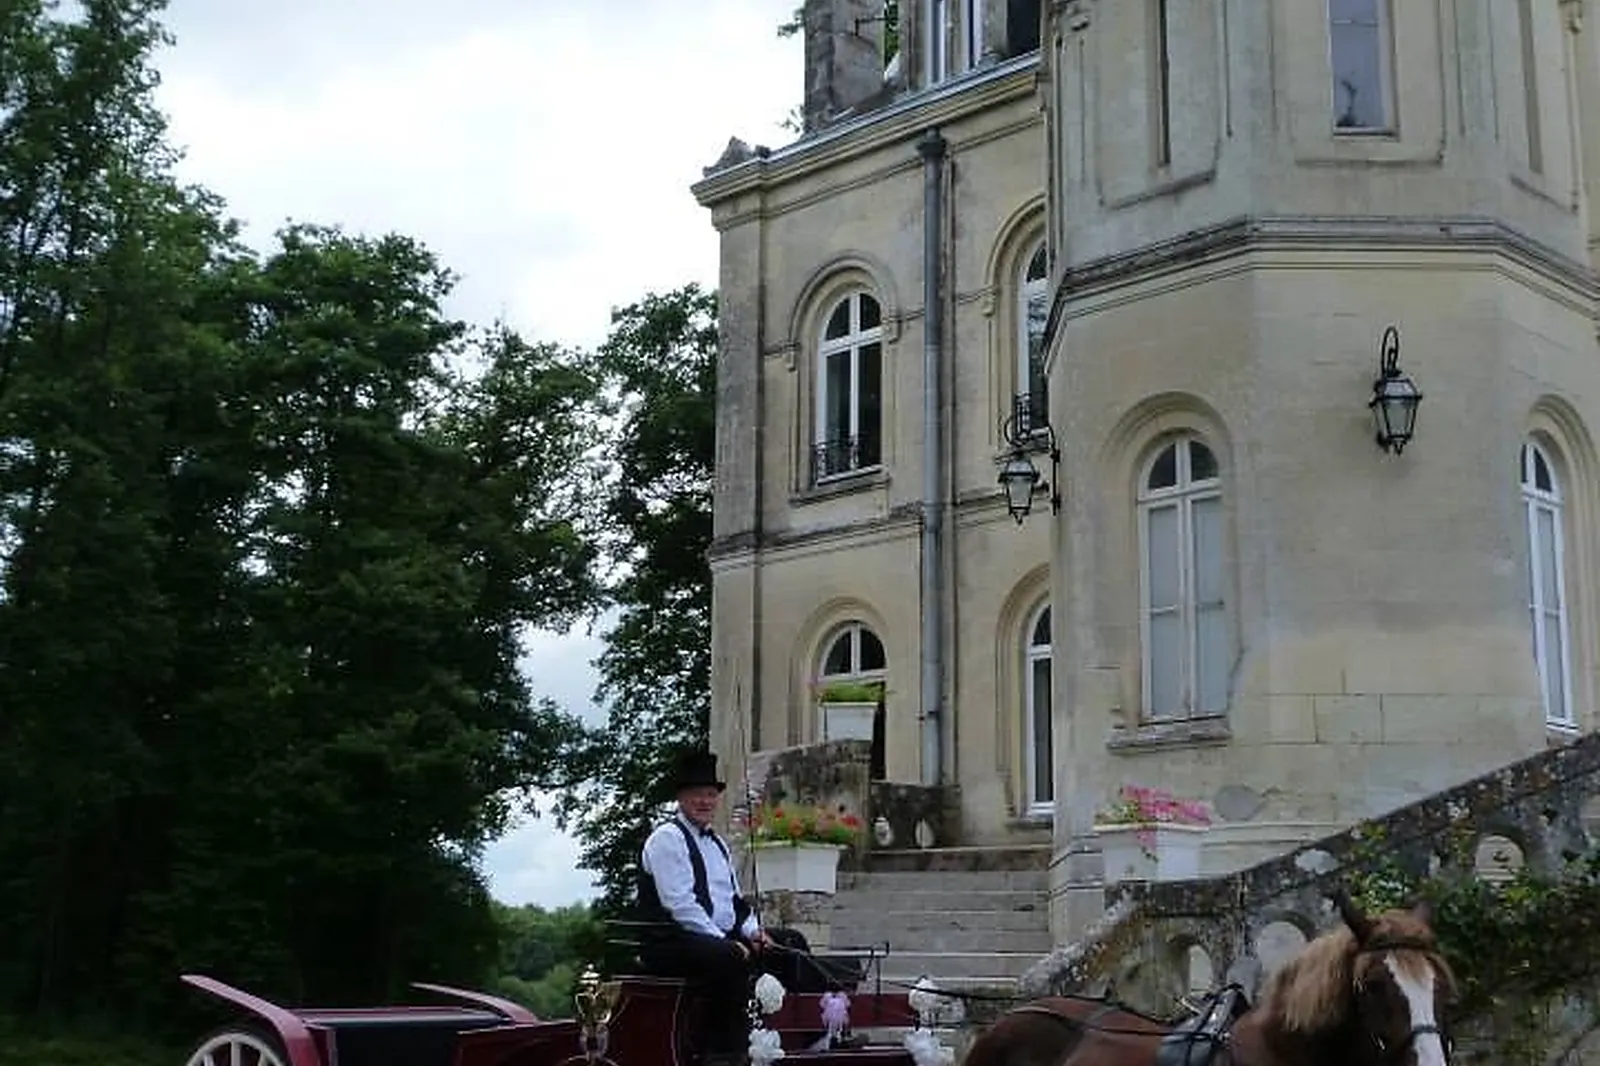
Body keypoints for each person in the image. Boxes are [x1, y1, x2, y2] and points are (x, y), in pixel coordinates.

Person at [637, 747, 774, 1066]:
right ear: (681, 798)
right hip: (670, 940)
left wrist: (755, 932)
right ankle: (723, 1051)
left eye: (710, 794)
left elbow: (735, 904)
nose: (705, 802)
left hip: (713, 935)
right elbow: (681, 905)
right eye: (697, 794)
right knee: (727, 957)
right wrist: (726, 942)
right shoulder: (666, 839)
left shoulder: (717, 843)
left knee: (789, 942)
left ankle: (817, 1032)